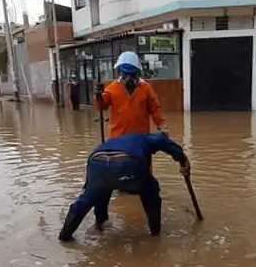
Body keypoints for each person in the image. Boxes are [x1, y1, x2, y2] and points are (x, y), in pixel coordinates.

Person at [59, 132, 191, 240]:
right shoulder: (145, 137)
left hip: (96, 160)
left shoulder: (113, 141)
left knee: (95, 193)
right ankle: (155, 233)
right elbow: (163, 141)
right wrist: (183, 160)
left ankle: (69, 234)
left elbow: (91, 183)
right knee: (150, 189)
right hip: (127, 162)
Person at [96, 51, 168, 139]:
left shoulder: (146, 88)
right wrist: (98, 96)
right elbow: (101, 106)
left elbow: (155, 109)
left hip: (141, 138)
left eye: (132, 75)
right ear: (120, 72)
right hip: (118, 138)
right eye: (125, 75)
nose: (129, 79)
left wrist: (162, 125)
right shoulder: (111, 89)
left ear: (138, 73)